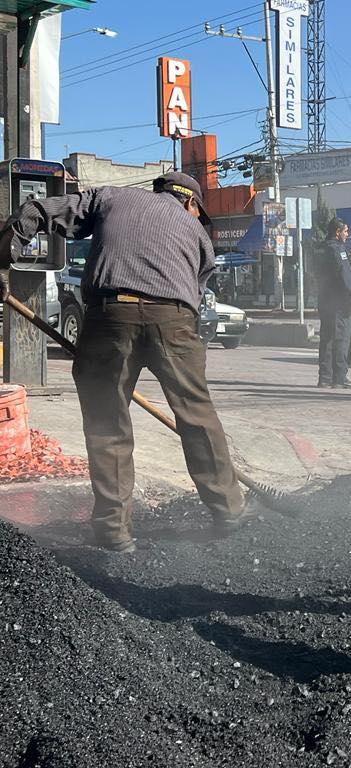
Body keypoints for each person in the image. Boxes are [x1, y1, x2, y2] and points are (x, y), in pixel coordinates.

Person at [0, 172, 247, 553]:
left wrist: (3, 263)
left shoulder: (110, 197)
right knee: (198, 416)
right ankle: (229, 511)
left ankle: (115, 533)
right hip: (175, 320)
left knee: (108, 424)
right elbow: (197, 293)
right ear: (191, 204)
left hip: (110, 316)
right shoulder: (197, 232)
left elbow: (35, 210)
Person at [316, 218, 351, 389]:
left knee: (326, 339)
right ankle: (339, 378)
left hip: (324, 299)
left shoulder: (319, 249)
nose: (347, 235)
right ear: (337, 232)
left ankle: (324, 378)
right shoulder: (338, 250)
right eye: (345, 231)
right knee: (341, 339)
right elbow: (346, 277)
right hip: (338, 302)